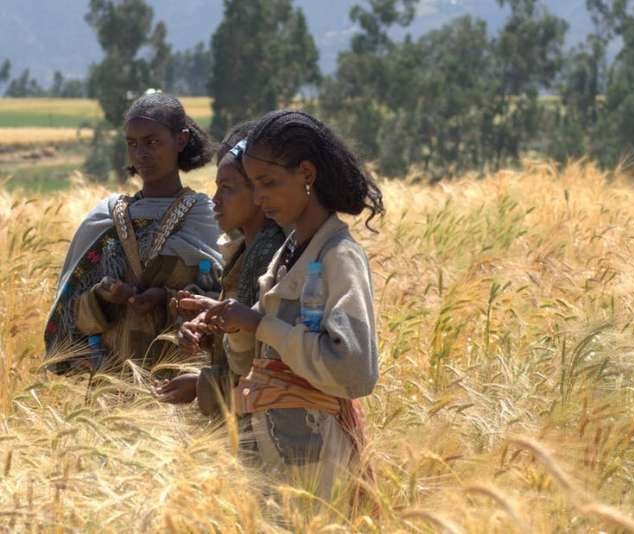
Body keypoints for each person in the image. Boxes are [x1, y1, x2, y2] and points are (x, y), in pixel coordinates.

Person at [183, 110, 383, 499]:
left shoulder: (338, 256)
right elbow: (251, 365)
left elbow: (355, 372)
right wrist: (236, 328)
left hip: (317, 472)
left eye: (268, 183)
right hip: (271, 467)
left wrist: (260, 325)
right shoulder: (286, 256)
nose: (259, 197)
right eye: (254, 184)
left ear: (306, 174)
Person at [44, 92, 222, 374]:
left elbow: (227, 302)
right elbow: (71, 314)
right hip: (113, 381)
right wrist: (103, 297)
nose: (141, 154)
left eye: (152, 142)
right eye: (132, 144)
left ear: (181, 140)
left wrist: (164, 298)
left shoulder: (204, 216)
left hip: (182, 381)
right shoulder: (106, 218)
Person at [154, 121, 285, 414]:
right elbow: (247, 335)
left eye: (226, 188)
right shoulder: (245, 251)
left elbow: (267, 367)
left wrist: (200, 384)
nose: (214, 201)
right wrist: (210, 327)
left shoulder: (268, 258)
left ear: (259, 191)